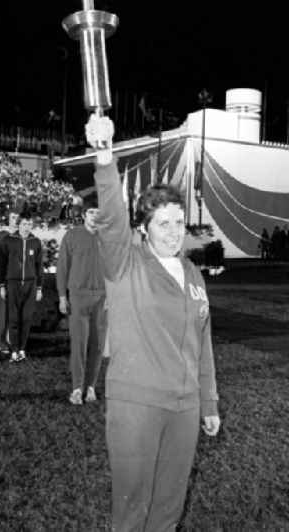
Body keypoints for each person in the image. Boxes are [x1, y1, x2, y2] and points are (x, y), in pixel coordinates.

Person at [86, 114, 220, 532]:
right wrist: (105, 159)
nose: (174, 231)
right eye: (163, 223)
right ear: (144, 230)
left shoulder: (194, 274)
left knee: (168, 509)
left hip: (184, 408)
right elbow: (111, 218)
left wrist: (209, 402)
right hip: (138, 405)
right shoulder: (127, 264)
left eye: (179, 222)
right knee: (132, 508)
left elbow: (203, 343)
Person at [56, 197, 107, 404]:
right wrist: (62, 296)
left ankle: (91, 387)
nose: (95, 216)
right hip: (78, 297)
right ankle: (77, 388)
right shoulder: (72, 235)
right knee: (79, 344)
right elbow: (62, 268)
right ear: (84, 215)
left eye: (98, 212)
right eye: (91, 212)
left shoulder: (108, 238)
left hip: (102, 298)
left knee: (97, 346)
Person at [0, 213, 44, 362]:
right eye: (24, 224)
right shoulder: (8, 241)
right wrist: (2, 285)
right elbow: (2, 265)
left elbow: (39, 266)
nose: (26, 227)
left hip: (30, 284)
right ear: (19, 224)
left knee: (27, 318)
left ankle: (22, 349)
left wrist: (39, 288)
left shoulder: (35, 242)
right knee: (14, 318)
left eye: (29, 224)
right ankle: (14, 350)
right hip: (12, 283)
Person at [0, 211, 19, 353]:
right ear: (8, 219)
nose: (16, 220)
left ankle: (13, 340)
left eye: (18, 218)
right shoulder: (1, 237)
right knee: (4, 311)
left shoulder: (24, 237)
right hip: (5, 278)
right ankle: (0, 341)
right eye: (13, 217)